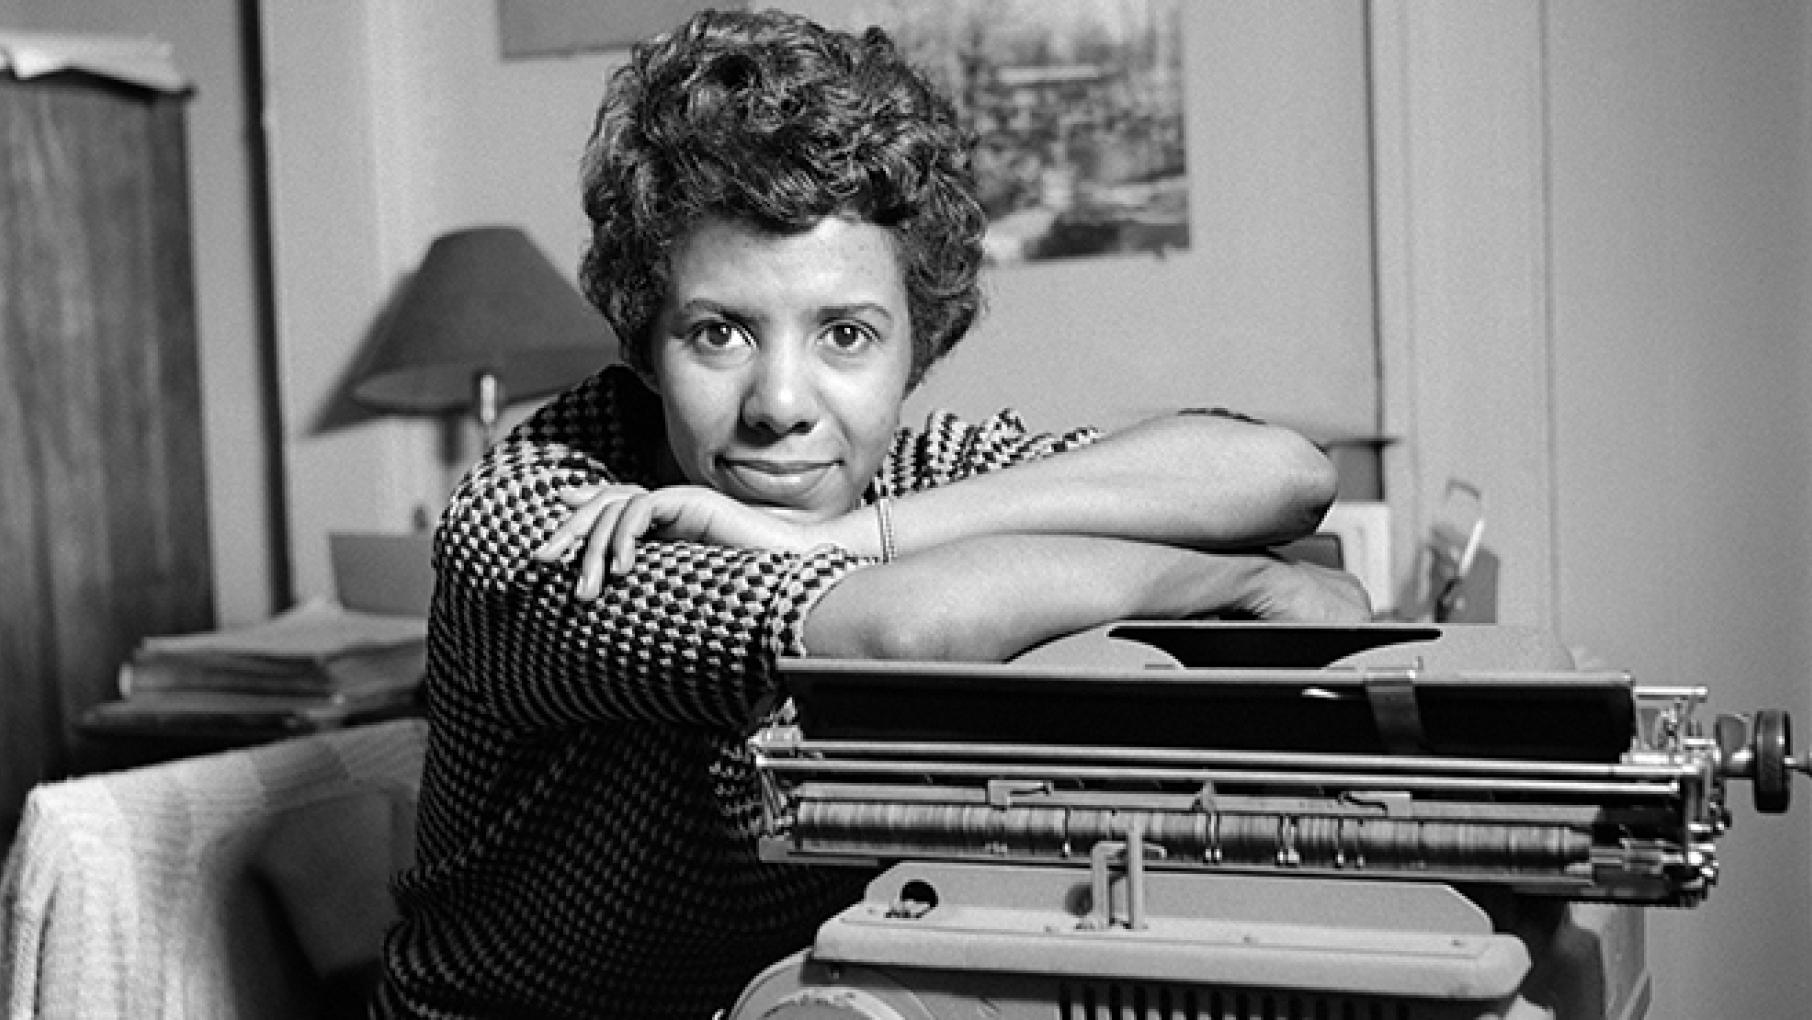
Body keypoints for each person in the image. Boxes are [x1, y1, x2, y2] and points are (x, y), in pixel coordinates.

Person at [373, 8, 1368, 1018]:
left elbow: (1279, 474)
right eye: (719, 333)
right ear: (643, 338)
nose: (783, 405)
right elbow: (901, 629)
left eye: (846, 335)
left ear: (917, 348)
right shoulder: (544, 516)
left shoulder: (915, 483)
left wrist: (859, 537)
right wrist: (1248, 583)